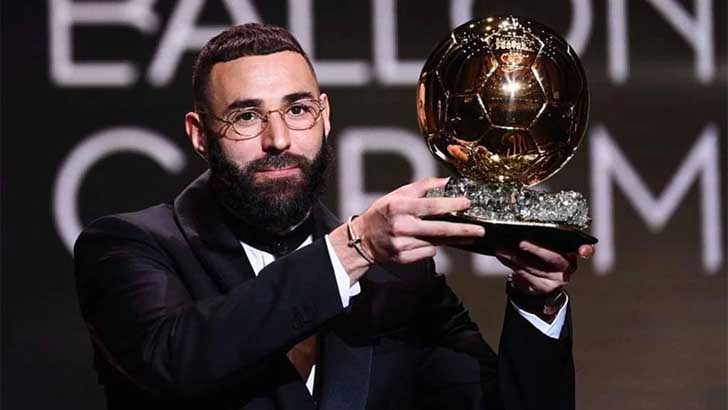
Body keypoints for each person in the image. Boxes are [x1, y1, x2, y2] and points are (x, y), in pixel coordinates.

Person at [74, 23, 593, 410]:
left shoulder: (399, 279)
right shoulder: (129, 246)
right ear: (199, 134)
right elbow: (174, 360)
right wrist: (356, 247)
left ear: (324, 117)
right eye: (246, 116)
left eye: (297, 110)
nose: (279, 139)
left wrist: (536, 302)